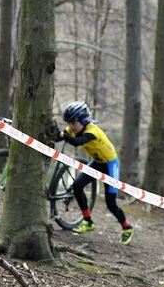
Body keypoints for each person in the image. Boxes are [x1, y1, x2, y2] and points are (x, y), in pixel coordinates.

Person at [57, 101, 134, 245]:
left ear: (82, 120)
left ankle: (127, 228)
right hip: (97, 163)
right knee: (77, 186)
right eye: (69, 123)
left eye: (73, 122)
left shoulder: (92, 132)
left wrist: (63, 135)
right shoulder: (74, 129)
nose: (71, 127)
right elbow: (63, 136)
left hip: (110, 165)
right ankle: (88, 221)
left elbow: (76, 142)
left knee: (110, 204)